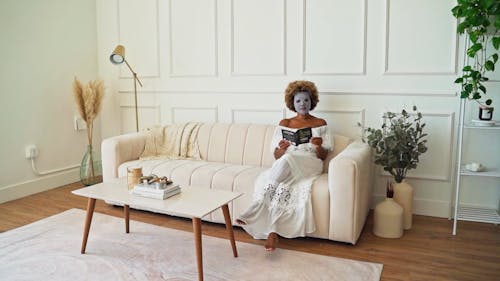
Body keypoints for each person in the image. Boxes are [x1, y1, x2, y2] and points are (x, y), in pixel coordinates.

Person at [236, 80, 332, 252]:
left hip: (310, 163)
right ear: (292, 103)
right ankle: (273, 232)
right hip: (287, 164)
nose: (303, 104)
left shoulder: (320, 123)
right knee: (283, 179)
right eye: (298, 101)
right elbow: (276, 156)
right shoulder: (285, 124)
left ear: (312, 102)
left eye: (306, 100)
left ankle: (257, 206)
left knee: (286, 161)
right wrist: (281, 149)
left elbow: (323, 156)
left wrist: (318, 146)